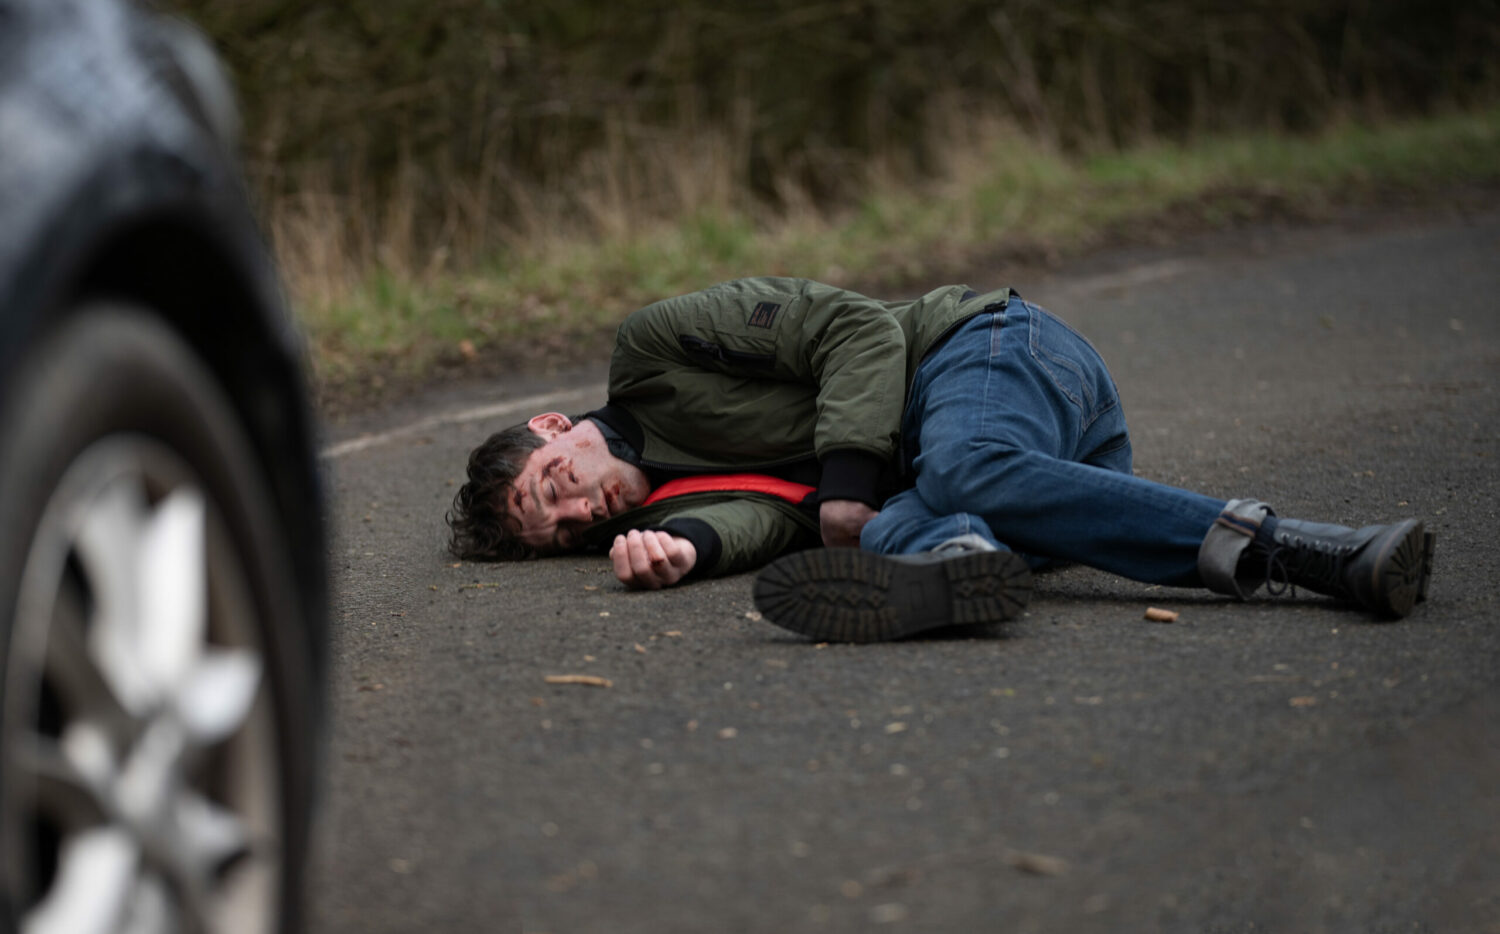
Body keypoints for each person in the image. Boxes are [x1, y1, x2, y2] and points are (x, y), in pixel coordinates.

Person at [447, 277, 1435, 643]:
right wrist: (685, 551)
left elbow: (858, 328)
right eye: (561, 534)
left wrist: (843, 483)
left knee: (933, 484)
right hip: (1057, 475)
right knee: (895, 527)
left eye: (551, 486)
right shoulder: (666, 504)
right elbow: (760, 523)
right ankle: (963, 557)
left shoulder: (655, 347)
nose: (576, 512)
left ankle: (1311, 550)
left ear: (552, 426)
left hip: (990, 353)